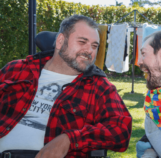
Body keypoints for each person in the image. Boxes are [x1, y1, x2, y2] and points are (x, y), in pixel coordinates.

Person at [0, 15, 132, 158]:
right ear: (60, 41)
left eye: (94, 46)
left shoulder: (99, 87)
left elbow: (121, 130)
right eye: (82, 42)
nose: (89, 51)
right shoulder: (17, 69)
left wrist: (70, 139)